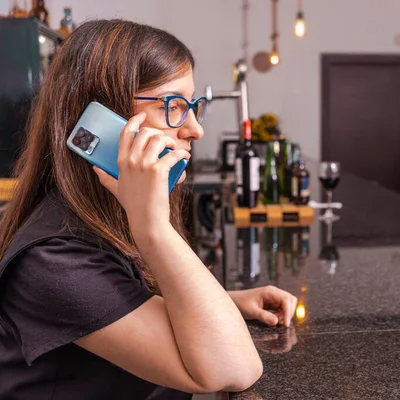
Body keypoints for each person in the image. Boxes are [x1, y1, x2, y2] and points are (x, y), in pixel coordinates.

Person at [0, 19, 298, 399]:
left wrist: (227, 303)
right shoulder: (54, 259)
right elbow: (233, 368)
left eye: (193, 106)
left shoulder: (106, 215)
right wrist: (154, 227)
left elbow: (124, 299)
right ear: (102, 119)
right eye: (173, 106)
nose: (194, 129)